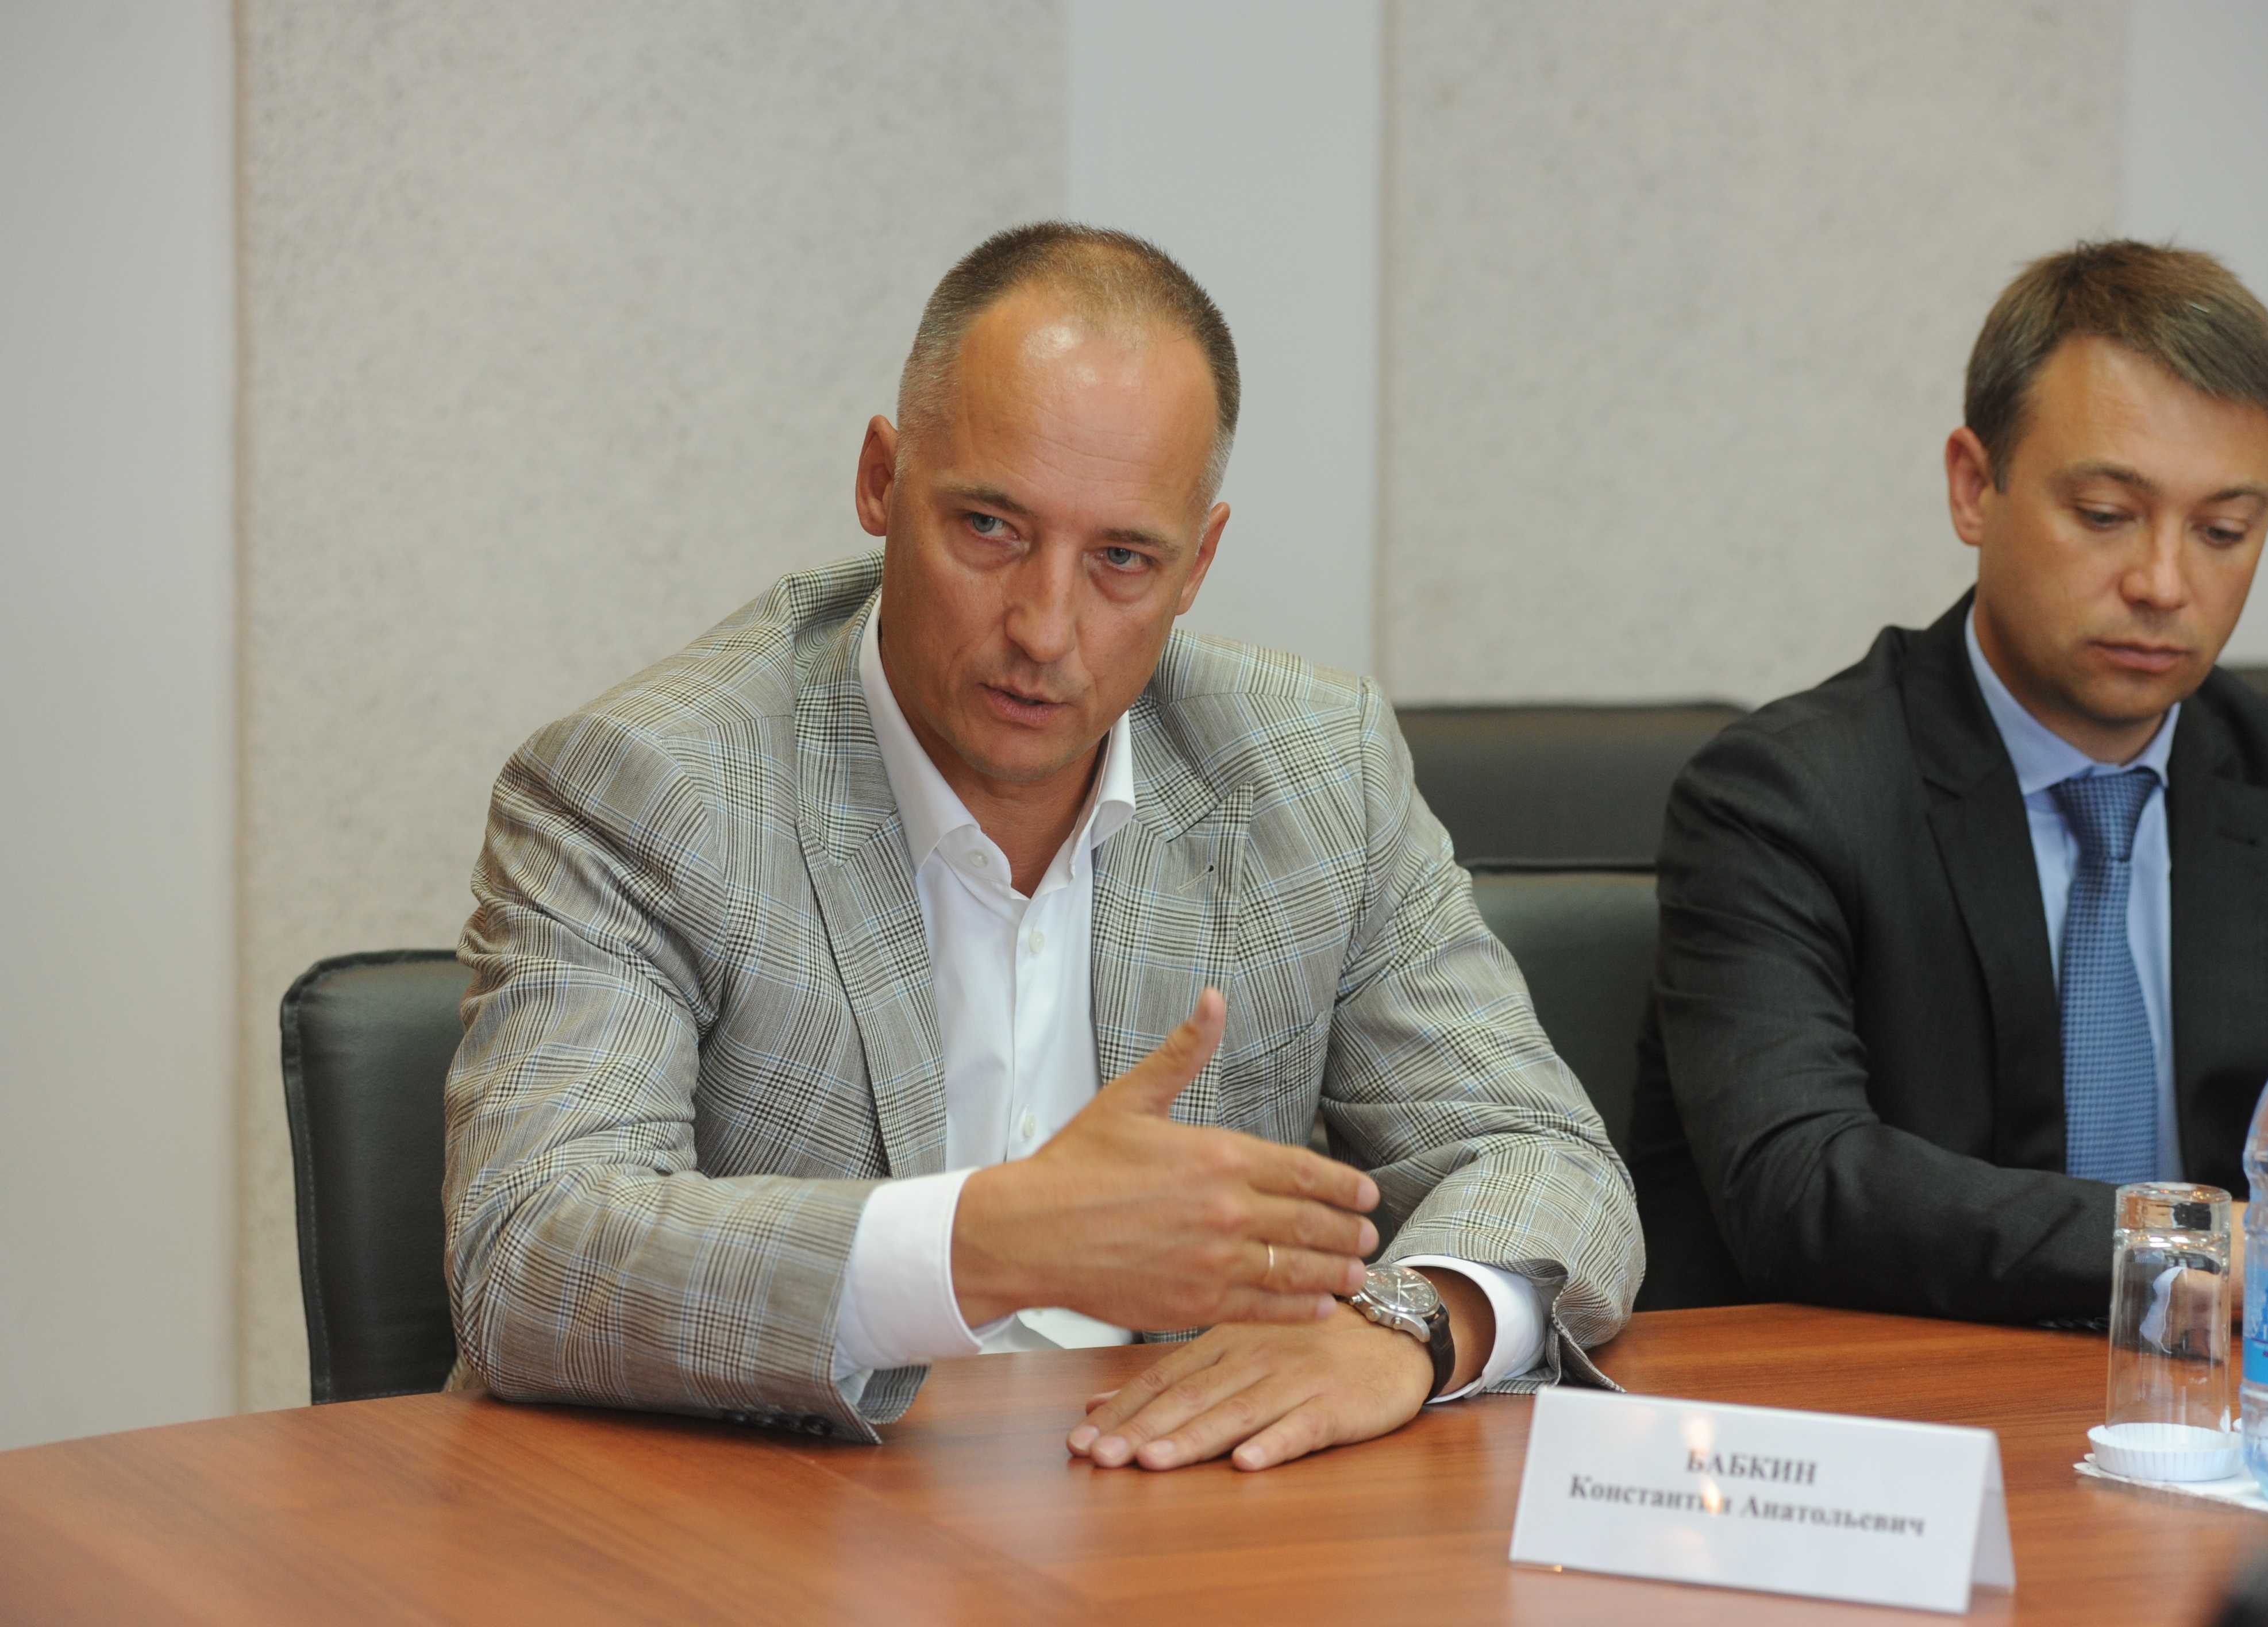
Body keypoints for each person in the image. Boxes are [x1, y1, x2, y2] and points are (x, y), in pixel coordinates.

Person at [441, 222, 1641, 1470]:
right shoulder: (648, 786)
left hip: (1174, 1510)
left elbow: (1541, 1154)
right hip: (771, 1512)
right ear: (881, 481)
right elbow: (529, 1254)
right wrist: (990, 1242)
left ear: (1197, 564)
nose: (1045, 629)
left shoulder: (1313, 771)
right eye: (990, 528)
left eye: (1122, 559)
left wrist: (1408, 1326)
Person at [1630, 240, 2268, 1329]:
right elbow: (1800, 1183)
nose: (2163, 583)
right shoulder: (1787, 798)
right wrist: (2206, 1248)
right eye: (2106, 514)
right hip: (1890, 1402)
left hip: (2245, 1405)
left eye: (2223, 531)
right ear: (1975, 487)